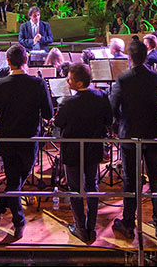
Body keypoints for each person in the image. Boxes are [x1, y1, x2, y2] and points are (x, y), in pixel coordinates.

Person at [0, 43, 54, 238]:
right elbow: (48, 113)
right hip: (29, 140)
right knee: (16, 180)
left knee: (13, 180)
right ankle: (18, 221)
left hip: (7, 139)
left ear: (8, 62)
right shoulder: (38, 84)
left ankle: (1, 210)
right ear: (26, 60)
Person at [109, 39, 157, 240]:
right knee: (156, 178)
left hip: (130, 135)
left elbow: (112, 108)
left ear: (129, 58)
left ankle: (128, 223)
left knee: (131, 180)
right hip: (153, 133)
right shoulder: (156, 77)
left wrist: (117, 128)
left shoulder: (123, 79)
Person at [54, 63, 112, 243]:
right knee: (92, 186)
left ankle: (80, 228)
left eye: (70, 79)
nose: (67, 81)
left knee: (74, 189)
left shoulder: (68, 102)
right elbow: (109, 120)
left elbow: (58, 123)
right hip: (93, 149)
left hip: (72, 151)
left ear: (79, 83)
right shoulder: (102, 96)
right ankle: (91, 227)